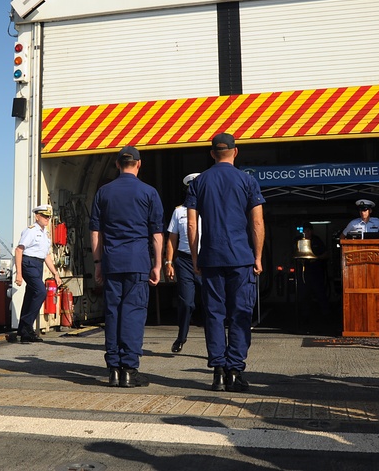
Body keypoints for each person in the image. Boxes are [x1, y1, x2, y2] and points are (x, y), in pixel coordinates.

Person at [186, 133, 265, 393]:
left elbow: (191, 223)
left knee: (214, 315)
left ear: (212, 154)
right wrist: (258, 256)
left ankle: (218, 372)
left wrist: (196, 258)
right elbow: (256, 222)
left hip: (211, 258)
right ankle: (235, 370)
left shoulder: (198, 182)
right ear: (236, 151)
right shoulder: (247, 181)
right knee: (240, 314)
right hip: (241, 258)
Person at [90, 146, 163, 388]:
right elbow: (156, 234)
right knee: (133, 314)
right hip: (138, 261)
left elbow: (96, 233)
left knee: (113, 313)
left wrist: (98, 262)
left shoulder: (103, 192)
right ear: (139, 164)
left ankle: (113, 370)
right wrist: (158, 264)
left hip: (111, 261)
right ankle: (129, 370)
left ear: (117, 164)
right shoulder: (149, 192)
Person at [163, 173, 202, 354]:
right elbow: (172, 239)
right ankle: (181, 337)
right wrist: (168, 262)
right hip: (185, 261)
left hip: (206, 260)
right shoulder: (179, 212)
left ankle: (216, 346)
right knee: (186, 303)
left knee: (213, 304)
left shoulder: (210, 208)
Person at [14, 204, 62, 343]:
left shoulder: (45, 233)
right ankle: (27, 324)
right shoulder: (31, 231)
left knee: (30, 296)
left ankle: (23, 332)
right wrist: (19, 273)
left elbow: (46, 255)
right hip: (29, 263)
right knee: (41, 292)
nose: (47, 219)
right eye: (44, 216)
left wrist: (55, 274)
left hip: (38, 264)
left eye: (48, 216)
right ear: (37, 216)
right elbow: (19, 250)